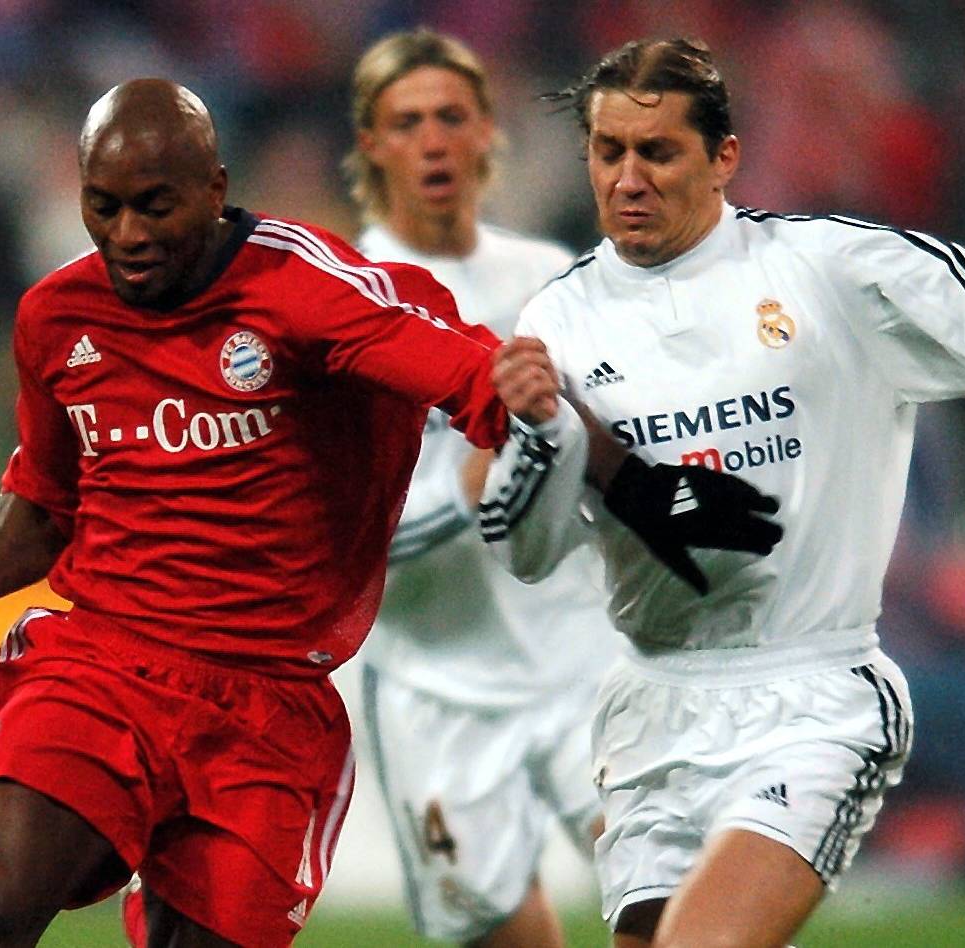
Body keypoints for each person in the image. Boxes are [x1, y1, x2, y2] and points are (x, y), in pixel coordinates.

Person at [477, 38, 965, 948]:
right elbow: (532, 550)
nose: (627, 176)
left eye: (657, 151)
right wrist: (541, 437)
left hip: (811, 693)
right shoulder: (558, 320)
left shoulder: (827, 270)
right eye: (607, 151)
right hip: (651, 708)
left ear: (724, 159)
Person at [0, 78, 526, 948]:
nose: (129, 236)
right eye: (103, 208)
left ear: (216, 189)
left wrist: (615, 473)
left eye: (156, 206)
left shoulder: (308, 291)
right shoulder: (56, 318)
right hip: (102, 665)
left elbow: (488, 380)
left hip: (267, 708)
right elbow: (47, 501)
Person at [345, 29, 618, 947]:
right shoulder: (339, 303)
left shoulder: (549, 279)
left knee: (681, 913)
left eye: (451, 116)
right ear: (371, 144)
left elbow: (606, 457)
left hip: (585, 662)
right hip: (437, 685)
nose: (432, 140)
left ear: (485, 132)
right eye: (407, 121)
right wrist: (466, 489)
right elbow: (344, 535)